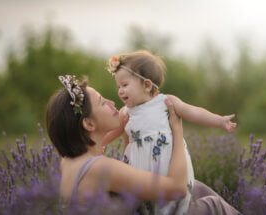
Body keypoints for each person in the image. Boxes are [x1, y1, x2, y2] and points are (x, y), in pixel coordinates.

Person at [103, 50, 237, 214]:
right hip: (139, 169)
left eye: (125, 85)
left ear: (146, 85)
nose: (120, 91)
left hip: (169, 167)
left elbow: (194, 112)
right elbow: (114, 131)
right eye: (118, 86)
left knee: (170, 202)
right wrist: (100, 143)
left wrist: (219, 121)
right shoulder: (126, 112)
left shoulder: (166, 102)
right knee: (141, 201)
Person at [45, 75, 188, 212]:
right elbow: (177, 189)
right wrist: (177, 130)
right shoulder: (100, 168)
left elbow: (98, 144)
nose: (112, 103)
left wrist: (123, 129)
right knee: (207, 200)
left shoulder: (68, 161)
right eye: (103, 102)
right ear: (89, 124)